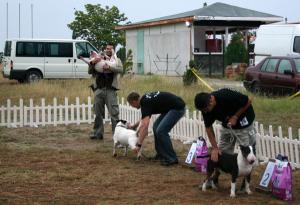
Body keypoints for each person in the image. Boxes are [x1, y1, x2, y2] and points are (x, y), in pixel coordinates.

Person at [194, 88, 257, 163]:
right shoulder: (206, 109)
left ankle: (248, 170)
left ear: (211, 101)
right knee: (222, 152)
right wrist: (215, 148)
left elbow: (248, 101)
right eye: (203, 110)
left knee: (247, 150)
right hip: (227, 124)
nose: (205, 112)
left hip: (244, 121)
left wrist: (235, 116)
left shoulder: (225, 95)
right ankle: (226, 167)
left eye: (206, 109)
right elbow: (208, 128)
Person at [127, 91, 186, 166]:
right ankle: (161, 154)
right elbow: (144, 119)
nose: (133, 107)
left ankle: (172, 158)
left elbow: (145, 126)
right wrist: (134, 126)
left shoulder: (145, 103)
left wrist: (139, 144)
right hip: (170, 108)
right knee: (156, 127)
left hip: (177, 108)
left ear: (134, 101)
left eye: (131, 105)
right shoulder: (145, 100)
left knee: (161, 131)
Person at [89, 43, 123, 140]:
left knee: (114, 114)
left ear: (113, 50)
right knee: (97, 112)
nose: (108, 50)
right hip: (98, 89)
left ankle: (118, 137)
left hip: (110, 90)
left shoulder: (117, 60)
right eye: (107, 48)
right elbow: (90, 71)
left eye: (110, 49)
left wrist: (109, 67)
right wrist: (93, 63)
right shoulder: (97, 57)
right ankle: (98, 134)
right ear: (105, 49)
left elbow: (120, 69)